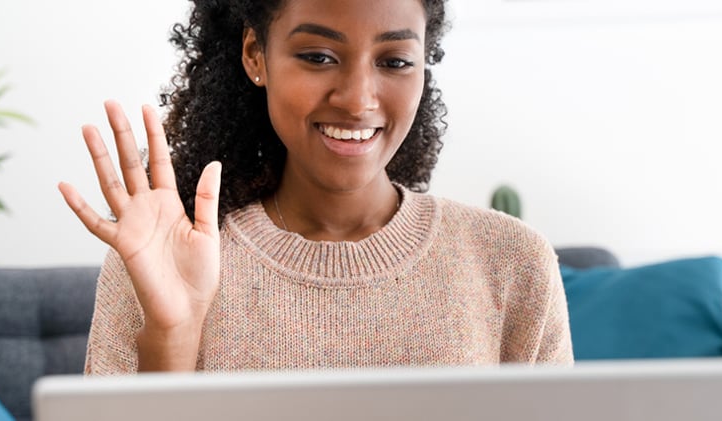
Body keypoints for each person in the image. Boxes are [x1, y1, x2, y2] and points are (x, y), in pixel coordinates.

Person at [59, 0, 573, 374]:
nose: (357, 100)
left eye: (394, 61)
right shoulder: (167, 256)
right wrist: (173, 332)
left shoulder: (511, 262)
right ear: (256, 54)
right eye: (319, 56)